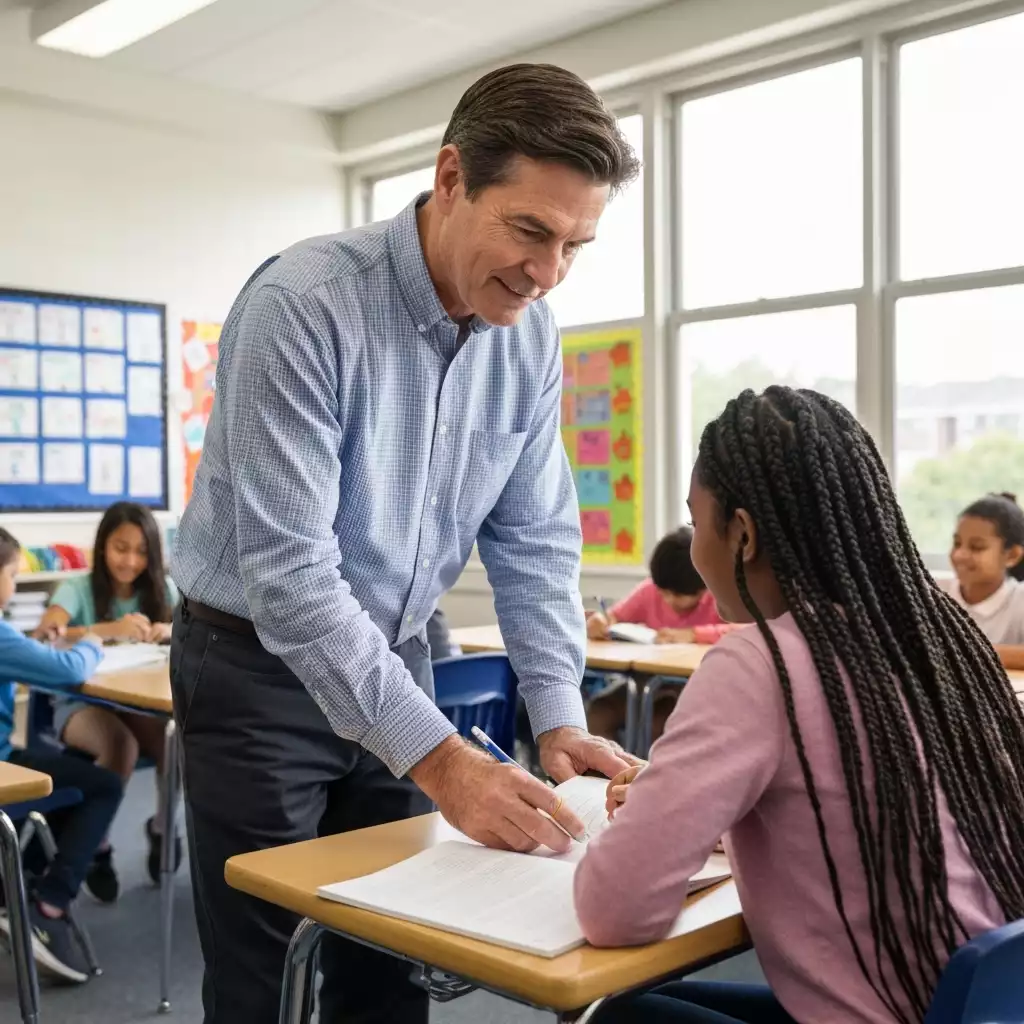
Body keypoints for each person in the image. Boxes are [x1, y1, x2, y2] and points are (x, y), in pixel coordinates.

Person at [170, 62, 642, 1024]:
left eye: (575, 246)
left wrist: (556, 715)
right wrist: (440, 760)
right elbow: (293, 576)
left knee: (391, 957)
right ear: (451, 177)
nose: (548, 274)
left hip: (397, 655)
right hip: (256, 665)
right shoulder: (305, 303)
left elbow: (537, 539)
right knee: (263, 970)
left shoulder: (530, 335)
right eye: (530, 232)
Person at [575, 387, 1024, 1024]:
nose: (696, 548)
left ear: (744, 535)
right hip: (970, 1007)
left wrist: (653, 815)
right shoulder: (942, 638)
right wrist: (701, 803)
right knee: (644, 1002)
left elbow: (615, 910)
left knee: (614, 1019)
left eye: (698, 522)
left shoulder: (762, 663)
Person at [35, 502, 179, 899]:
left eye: (140, 551)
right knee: (120, 746)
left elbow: (188, 628)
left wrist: (168, 628)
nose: (130, 561)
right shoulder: (77, 587)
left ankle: (162, 829)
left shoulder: (161, 588)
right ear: (102, 547)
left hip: (138, 701)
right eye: (120, 548)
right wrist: (109, 628)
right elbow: (45, 634)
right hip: (79, 702)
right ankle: (99, 847)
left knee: (176, 743)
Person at [0, 527, 123, 983]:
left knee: (72, 772)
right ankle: (48, 904)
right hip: (3, 769)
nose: (14, 585)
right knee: (103, 784)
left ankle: (15, 886)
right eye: (12, 575)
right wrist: (91, 643)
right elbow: (66, 670)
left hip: (8, 760)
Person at [586, 527, 731, 742]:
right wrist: (600, 621)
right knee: (599, 712)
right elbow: (614, 616)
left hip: (693, 689)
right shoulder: (651, 590)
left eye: (678, 596)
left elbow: (746, 630)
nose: (669, 601)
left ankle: (648, 774)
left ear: (702, 589)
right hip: (647, 682)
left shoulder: (719, 597)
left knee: (658, 723)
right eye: (664, 593)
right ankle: (607, 773)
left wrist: (693, 634)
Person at [944, 492, 1024, 671]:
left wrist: (965, 651)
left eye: (976, 547)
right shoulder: (934, 593)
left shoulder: (1020, 600)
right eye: (957, 543)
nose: (959, 555)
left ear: (1012, 555)